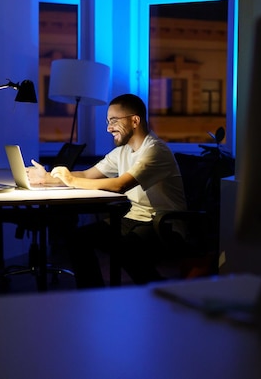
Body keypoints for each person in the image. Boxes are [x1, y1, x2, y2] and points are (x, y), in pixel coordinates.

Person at [28, 93, 186, 288]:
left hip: (163, 223)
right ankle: (94, 294)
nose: (108, 128)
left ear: (135, 120)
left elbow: (120, 184)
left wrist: (70, 180)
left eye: (113, 121)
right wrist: (49, 178)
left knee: (124, 248)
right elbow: (87, 175)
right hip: (134, 219)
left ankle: (156, 291)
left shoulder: (155, 150)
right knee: (79, 238)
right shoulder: (123, 152)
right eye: (107, 121)